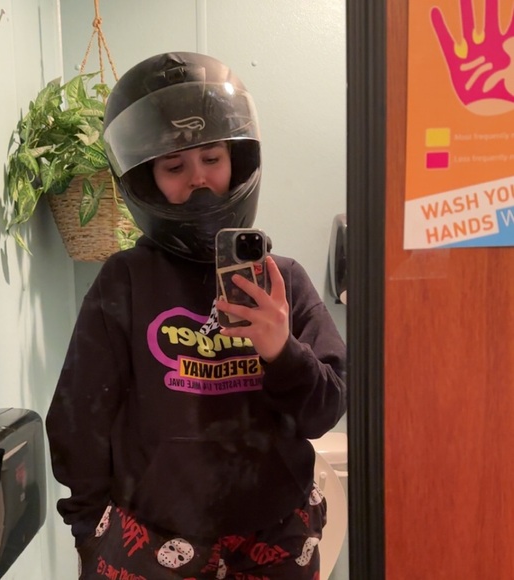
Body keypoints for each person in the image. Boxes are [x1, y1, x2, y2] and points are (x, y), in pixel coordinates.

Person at [46, 51, 346, 580]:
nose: (199, 179)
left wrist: (282, 352)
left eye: (212, 157)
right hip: (151, 542)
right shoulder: (124, 281)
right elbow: (79, 419)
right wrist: (89, 529)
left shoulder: (283, 281)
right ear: (146, 178)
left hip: (276, 537)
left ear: (237, 159)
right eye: (174, 166)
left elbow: (325, 413)